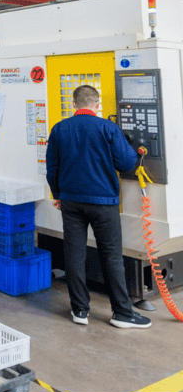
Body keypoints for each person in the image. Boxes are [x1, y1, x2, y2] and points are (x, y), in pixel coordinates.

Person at [46, 84, 151, 329]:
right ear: (97, 104)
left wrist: (58, 194)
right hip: (103, 203)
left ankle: (80, 310)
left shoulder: (60, 129)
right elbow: (126, 163)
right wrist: (135, 151)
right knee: (111, 256)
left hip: (70, 202)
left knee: (74, 254)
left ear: (73, 105)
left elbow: (52, 167)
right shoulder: (108, 128)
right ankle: (122, 313)